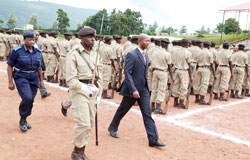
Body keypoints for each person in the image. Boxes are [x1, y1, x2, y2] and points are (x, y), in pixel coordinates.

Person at [108, 34, 165, 148]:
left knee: (147, 113)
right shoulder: (132, 54)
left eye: (149, 41)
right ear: (139, 41)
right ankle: (112, 127)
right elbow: (127, 73)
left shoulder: (146, 55)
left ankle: (153, 139)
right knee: (122, 110)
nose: (148, 43)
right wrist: (133, 89)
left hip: (143, 89)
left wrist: (144, 88)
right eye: (146, 41)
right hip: (132, 89)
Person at [66, 27, 103, 160]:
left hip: (93, 91)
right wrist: (84, 88)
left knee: (91, 122)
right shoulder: (73, 54)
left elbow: (100, 75)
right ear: (81, 38)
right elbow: (70, 79)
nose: (93, 39)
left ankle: (82, 150)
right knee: (84, 123)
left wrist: (100, 94)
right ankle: (76, 151)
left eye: (94, 37)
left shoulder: (96, 53)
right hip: (79, 91)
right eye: (89, 37)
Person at [7, 31, 44, 132]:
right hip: (21, 76)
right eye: (29, 40)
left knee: (31, 99)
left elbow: (39, 68)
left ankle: (25, 118)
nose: (31, 42)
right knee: (27, 97)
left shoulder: (38, 52)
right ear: (24, 40)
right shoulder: (17, 51)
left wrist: (41, 82)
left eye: (33, 40)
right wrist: (10, 81)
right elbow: (10, 66)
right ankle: (22, 119)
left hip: (34, 77)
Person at [150, 38, 173, 114]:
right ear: (166, 45)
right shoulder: (167, 54)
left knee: (154, 89)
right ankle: (158, 107)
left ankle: (152, 106)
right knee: (161, 89)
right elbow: (169, 67)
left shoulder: (154, 52)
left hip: (155, 71)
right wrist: (172, 77)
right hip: (163, 72)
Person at [171, 39, 192, 108]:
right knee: (183, 86)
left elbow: (172, 62)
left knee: (176, 86)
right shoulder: (188, 52)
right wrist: (190, 75)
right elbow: (189, 64)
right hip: (184, 71)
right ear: (186, 44)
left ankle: (175, 102)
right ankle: (181, 103)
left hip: (176, 70)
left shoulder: (175, 51)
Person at [34, 31, 51, 99]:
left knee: (39, 78)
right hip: (29, 64)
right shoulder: (26, 44)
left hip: (37, 64)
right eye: (36, 35)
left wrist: (42, 64)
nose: (37, 36)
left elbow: (39, 55)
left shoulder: (38, 44)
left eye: (38, 35)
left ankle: (43, 92)